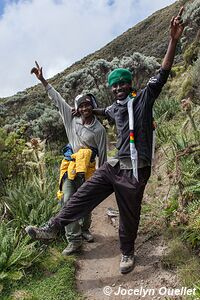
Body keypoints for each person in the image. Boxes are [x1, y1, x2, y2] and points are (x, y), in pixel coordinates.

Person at [26, 8, 184, 274]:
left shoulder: (142, 100)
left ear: (130, 85)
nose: (119, 88)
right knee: (81, 197)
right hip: (114, 166)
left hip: (135, 170)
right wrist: (85, 109)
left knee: (129, 216)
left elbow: (163, 72)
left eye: (123, 84)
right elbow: (105, 111)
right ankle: (52, 228)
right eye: (115, 86)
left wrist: (173, 40)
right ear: (111, 89)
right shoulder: (114, 108)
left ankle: (127, 252)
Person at [30, 62, 107, 255]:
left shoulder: (99, 130)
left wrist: (103, 176)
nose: (84, 108)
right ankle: (74, 241)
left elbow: (103, 155)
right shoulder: (70, 119)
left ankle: (85, 229)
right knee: (67, 200)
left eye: (87, 104)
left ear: (93, 106)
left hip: (88, 168)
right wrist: (42, 80)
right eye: (81, 105)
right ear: (77, 108)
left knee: (86, 203)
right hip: (70, 167)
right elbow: (57, 99)